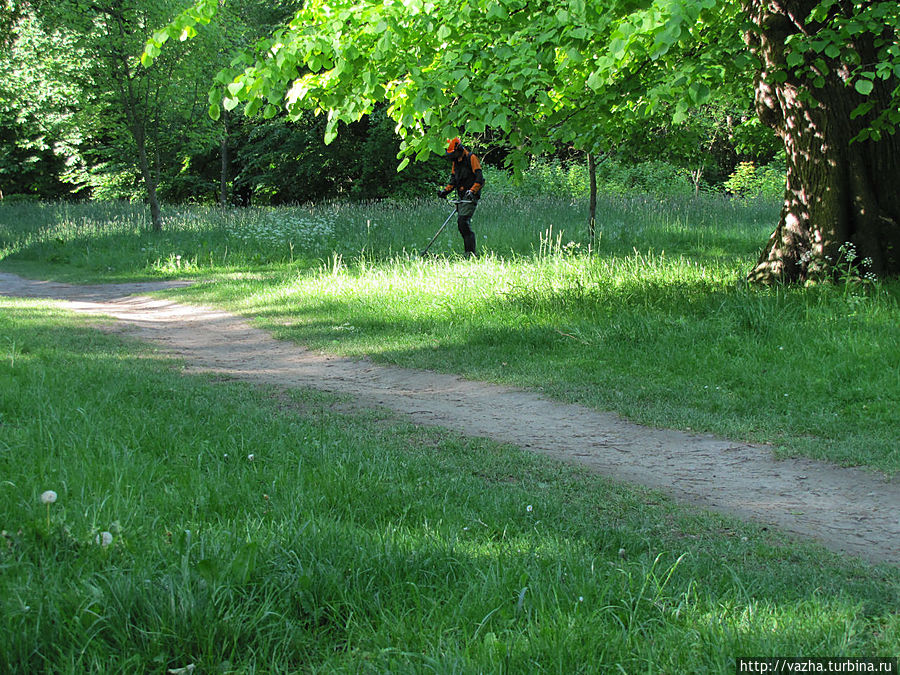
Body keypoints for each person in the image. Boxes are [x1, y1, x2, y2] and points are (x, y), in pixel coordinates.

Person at [437, 137, 484, 257]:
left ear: (459, 149)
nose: (452, 156)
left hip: (470, 196)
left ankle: (470, 253)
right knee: (461, 224)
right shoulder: (455, 162)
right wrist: (445, 192)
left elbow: (480, 178)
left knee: (463, 222)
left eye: (453, 153)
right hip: (462, 196)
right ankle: (469, 252)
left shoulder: (471, 158)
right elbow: (453, 180)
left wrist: (472, 191)